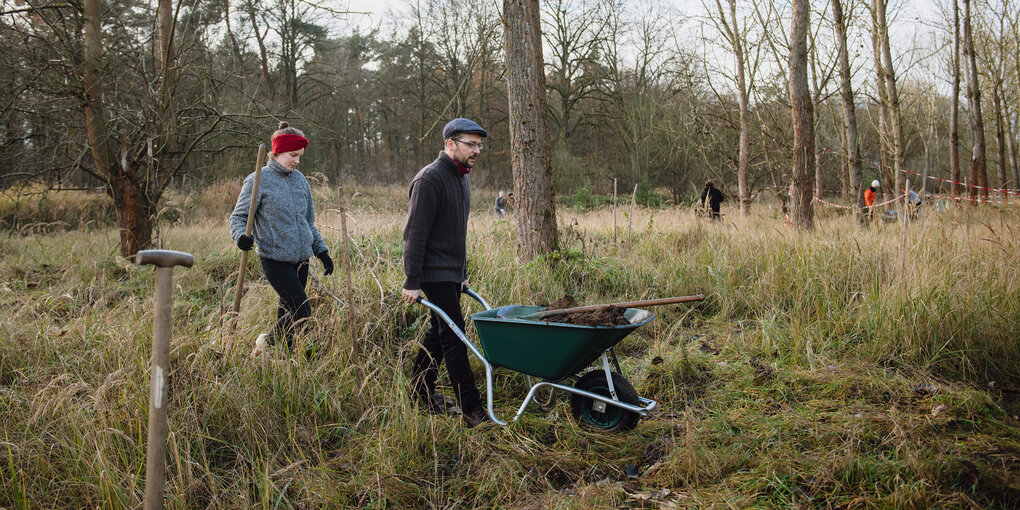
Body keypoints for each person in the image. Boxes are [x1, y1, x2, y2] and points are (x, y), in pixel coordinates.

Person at [401, 118, 490, 428]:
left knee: (438, 335)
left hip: (451, 273)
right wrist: (412, 281)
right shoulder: (430, 179)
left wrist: (461, 272)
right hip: (432, 273)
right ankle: (471, 408)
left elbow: (456, 233)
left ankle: (419, 391)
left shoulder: (461, 178)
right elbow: (415, 233)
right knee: (455, 336)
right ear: (450, 144)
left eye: (480, 145)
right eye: (471, 144)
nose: (477, 150)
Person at [230, 122, 333, 355]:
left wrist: (321, 251)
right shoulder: (258, 180)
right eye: (293, 155)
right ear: (277, 152)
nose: (297, 161)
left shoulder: (300, 181)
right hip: (275, 259)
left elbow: (308, 222)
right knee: (302, 311)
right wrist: (240, 237)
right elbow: (238, 217)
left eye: (300, 156)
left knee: (290, 317)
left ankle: (281, 360)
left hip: (302, 260)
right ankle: (265, 343)